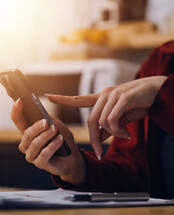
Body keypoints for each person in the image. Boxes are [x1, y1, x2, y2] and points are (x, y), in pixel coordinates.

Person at [11, 41, 174, 198]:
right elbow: (134, 177)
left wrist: (167, 95)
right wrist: (78, 169)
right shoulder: (161, 61)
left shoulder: (159, 79)